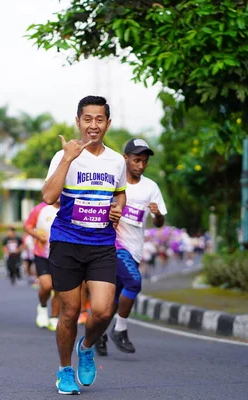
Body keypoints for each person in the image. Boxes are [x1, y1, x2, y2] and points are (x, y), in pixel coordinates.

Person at [42, 95, 126, 395]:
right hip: (67, 241)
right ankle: (65, 370)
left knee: (103, 311)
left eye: (99, 119)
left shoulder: (117, 161)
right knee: (70, 311)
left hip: (102, 242)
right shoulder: (62, 156)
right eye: (87, 119)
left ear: (108, 123)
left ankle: (87, 346)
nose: (93, 125)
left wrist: (118, 210)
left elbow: (119, 195)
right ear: (78, 121)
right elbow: (49, 197)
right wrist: (67, 158)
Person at [95, 138, 167, 357]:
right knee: (134, 282)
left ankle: (97, 334)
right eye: (137, 160)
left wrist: (156, 214)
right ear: (125, 158)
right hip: (113, 245)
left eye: (144, 161)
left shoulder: (150, 187)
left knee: (113, 301)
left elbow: (159, 222)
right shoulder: (112, 182)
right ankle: (120, 329)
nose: (141, 165)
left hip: (134, 249)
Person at [24, 201, 60, 331]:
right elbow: (28, 226)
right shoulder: (40, 208)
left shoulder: (71, 206)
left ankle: (55, 317)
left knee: (59, 289)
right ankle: (43, 306)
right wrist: (38, 236)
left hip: (62, 256)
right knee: (46, 285)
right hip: (42, 254)